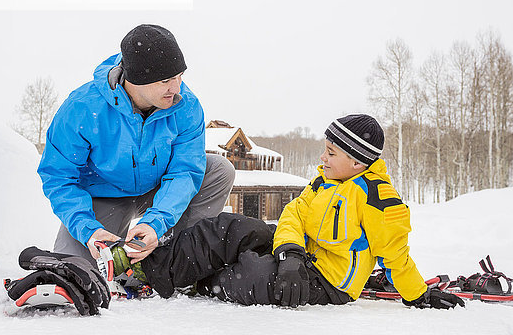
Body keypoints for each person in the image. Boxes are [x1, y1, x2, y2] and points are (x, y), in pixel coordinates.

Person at [111, 114, 464, 309]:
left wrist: (418, 294)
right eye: (325, 150)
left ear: (357, 161)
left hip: (326, 282)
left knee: (250, 274)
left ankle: (199, 282)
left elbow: (395, 254)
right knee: (230, 227)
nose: (323, 158)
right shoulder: (323, 182)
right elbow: (293, 215)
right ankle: (147, 269)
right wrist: (290, 251)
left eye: (331, 152)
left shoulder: (376, 198)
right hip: (294, 256)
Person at [37, 24, 235, 266]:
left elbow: (185, 170)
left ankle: (179, 258)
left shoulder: (186, 106)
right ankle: (104, 251)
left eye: (179, 76)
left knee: (219, 169)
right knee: (74, 269)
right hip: (104, 196)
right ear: (137, 80)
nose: (177, 87)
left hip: (158, 189)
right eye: (166, 80)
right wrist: (87, 229)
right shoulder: (82, 108)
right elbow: (59, 176)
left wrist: (155, 223)